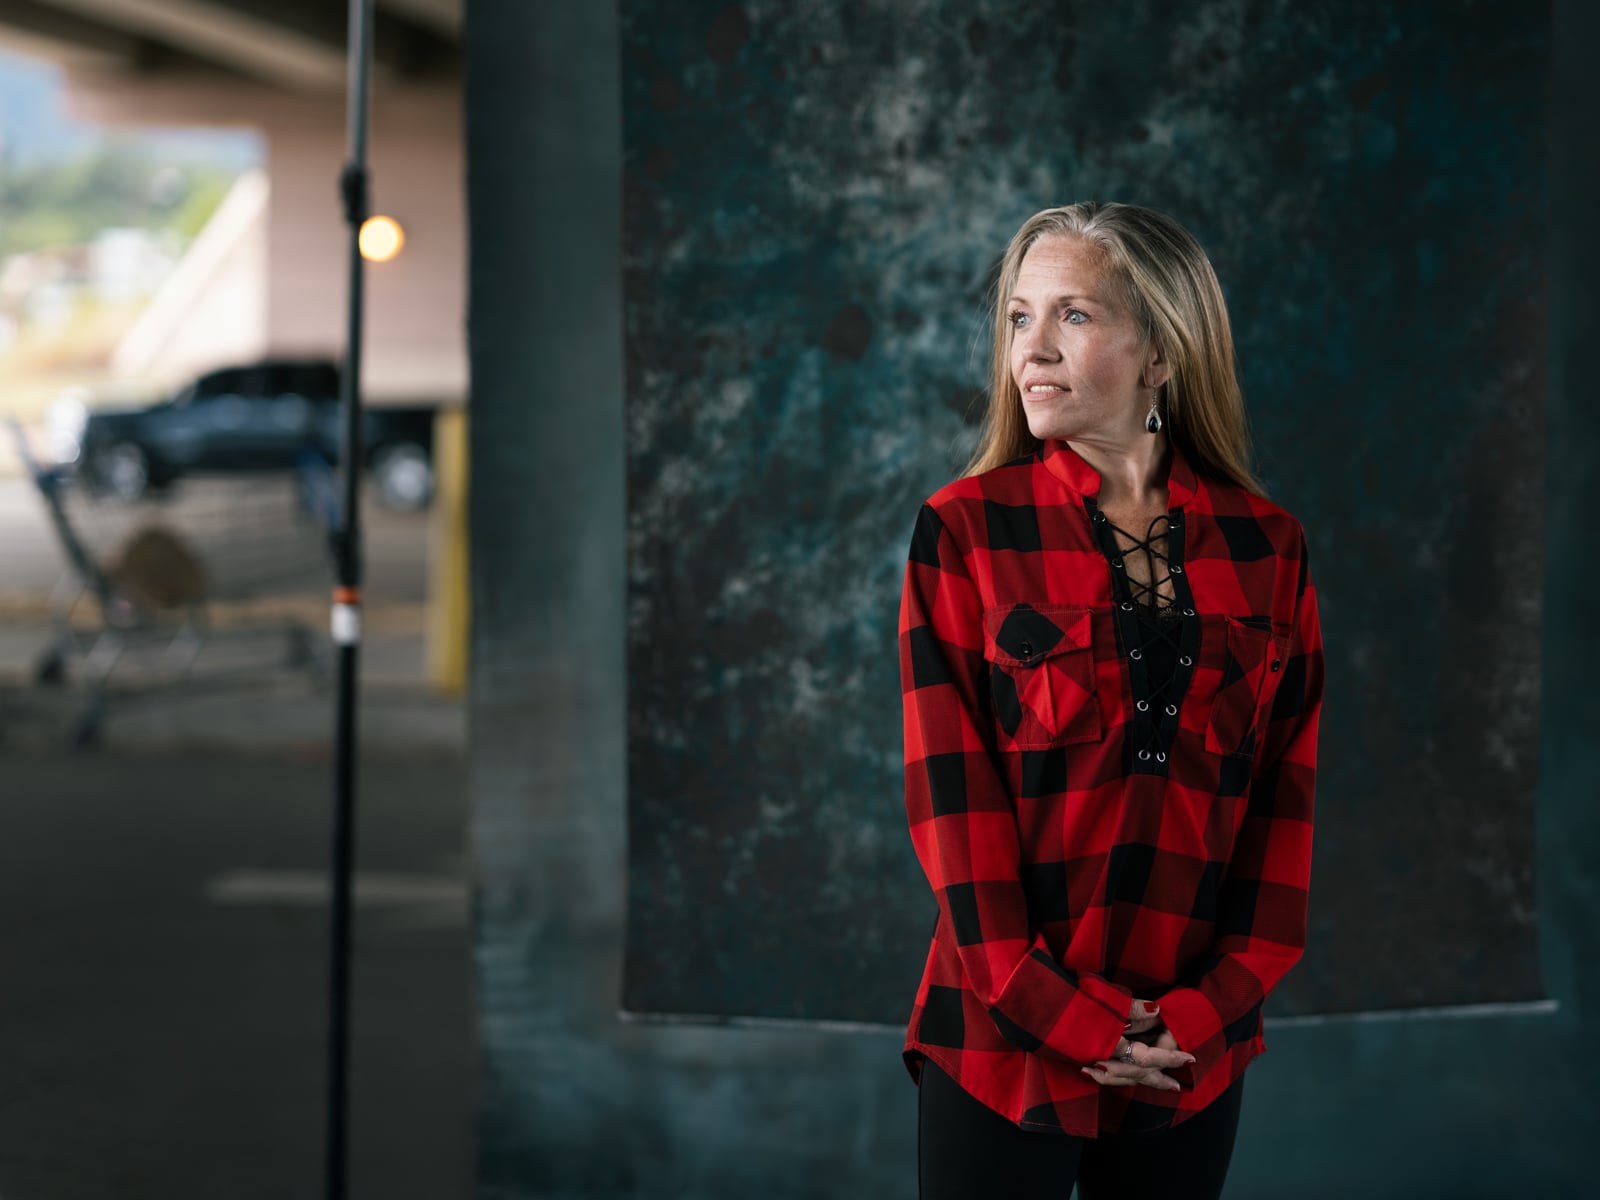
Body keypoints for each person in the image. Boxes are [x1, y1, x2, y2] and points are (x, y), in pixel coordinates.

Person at [898, 201, 1325, 1200]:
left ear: (1161, 355)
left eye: (1073, 317)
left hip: (1189, 1046)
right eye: (1017, 318)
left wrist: (1209, 1007)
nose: (1032, 349)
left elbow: (1283, 808)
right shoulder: (964, 532)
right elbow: (951, 810)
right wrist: (1066, 1016)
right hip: (1001, 1038)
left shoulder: (1271, 550)